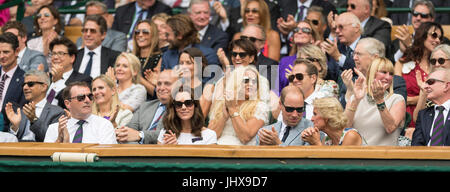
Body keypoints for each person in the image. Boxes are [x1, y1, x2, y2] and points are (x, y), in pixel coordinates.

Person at [345, 57, 406, 145]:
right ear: (371, 73)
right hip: (357, 155)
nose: (388, 77)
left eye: (391, 74)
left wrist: (379, 100)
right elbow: (345, 127)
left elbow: (390, 128)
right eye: (383, 72)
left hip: (384, 156)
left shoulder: (397, 99)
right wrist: (356, 100)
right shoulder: (356, 97)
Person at [396, 22, 442, 129]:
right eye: (434, 35)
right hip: (404, 120)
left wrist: (411, 100)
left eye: (440, 38)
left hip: (430, 120)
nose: (438, 40)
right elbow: (396, 94)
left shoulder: (440, 64)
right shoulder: (402, 62)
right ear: (422, 35)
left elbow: (441, 96)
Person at [208, 65, 270, 145]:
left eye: (254, 82)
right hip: (218, 151)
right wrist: (224, 118)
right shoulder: (221, 103)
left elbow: (245, 137)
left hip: (243, 153)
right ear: (236, 82)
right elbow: (210, 137)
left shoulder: (260, 107)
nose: (251, 84)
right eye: (246, 80)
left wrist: (232, 110)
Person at [44, 81, 118, 144]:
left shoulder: (104, 126)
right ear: (67, 103)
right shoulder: (54, 129)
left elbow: (106, 157)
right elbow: (47, 158)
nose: (87, 100)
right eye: (81, 98)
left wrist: (68, 147)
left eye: (90, 96)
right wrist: (60, 140)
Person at [116, 69, 177, 144]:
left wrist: (140, 135)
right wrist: (120, 132)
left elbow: (169, 134)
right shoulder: (145, 106)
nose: (161, 88)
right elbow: (129, 129)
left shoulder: (182, 108)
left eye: (167, 84)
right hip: (136, 150)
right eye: (159, 84)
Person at [4, 70, 64, 142]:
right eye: (24, 84)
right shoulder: (21, 111)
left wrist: (34, 120)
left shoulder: (57, 112)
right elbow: (10, 141)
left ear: (44, 87)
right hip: (18, 150)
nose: (25, 87)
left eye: (30, 84)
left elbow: (52, 139)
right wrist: (14, 127)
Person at [161, 14, 220, 84]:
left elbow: (210, 83)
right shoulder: (167, 55)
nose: (164, 38)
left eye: (167, 35)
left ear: (179, 35)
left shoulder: (207, 54)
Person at [47, 36, 92, 108]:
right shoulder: (45, 78)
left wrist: (57, 82)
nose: (55, 57)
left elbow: (74, 105)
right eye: (53, 53)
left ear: (72, 58)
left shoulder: (83, 80)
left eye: (61, 53)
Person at [412, 44, 450, 129]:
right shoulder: (430, 83)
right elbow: (417, 119)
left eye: (441, 60)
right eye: (433, 61)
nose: (436, 64)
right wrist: (423, 92)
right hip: (432, 132)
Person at [73, 15, 121, 79]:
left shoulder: (114, 57)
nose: (88, 34)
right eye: (85, 30)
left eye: (92, 31)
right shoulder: (74, 56)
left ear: (103, 35)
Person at [412, 68, 450, 146]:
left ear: (446, 86)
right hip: (426, 157)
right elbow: (416, 147)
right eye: (425, 83)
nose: (425, 87)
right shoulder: (423, 115)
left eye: (430, 82)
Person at [0, 32, 26, 131]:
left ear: (17, 51)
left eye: (6, 52)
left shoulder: (25, 80)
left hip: (8, 132)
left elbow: (22, 114)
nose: (1, 56)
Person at [239, 24, 278, 90]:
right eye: (243, 38)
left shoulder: (270, 65)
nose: (246, 42)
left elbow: (264, 90)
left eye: (252, 39)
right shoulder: (233, 61)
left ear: (262, 44)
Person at [132, 20, 162, 100]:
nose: (140, 35)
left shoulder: (160, 58)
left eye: (145, 32)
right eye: (137, 32)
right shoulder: (130, 58)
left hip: (149, 104)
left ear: (154, 35)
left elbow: (157, 93)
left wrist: (138, 78)